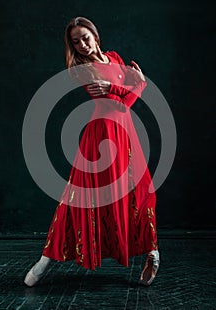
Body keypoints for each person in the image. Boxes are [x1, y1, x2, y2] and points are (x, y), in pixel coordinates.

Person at [24, 16, 160, 287]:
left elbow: (126, 101)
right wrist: (135, 85)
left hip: (126, 135)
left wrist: (134, 86)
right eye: (76, 42)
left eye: (85, 38)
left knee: (140, 190)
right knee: (79, 197)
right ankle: (45, 260)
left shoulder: (114, 57)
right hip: (101, 137)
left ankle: (152, 252)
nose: (82, 45)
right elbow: (119, 103)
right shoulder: (83, 70)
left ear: (95, 36)